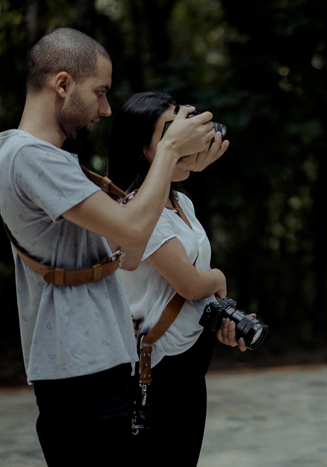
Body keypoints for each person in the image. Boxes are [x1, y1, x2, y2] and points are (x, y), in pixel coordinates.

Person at [0, 28, 227, 466]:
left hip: (96, 364)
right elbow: (133, 232)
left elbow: (129, 252)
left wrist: (176, 165)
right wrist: (168, 152)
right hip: (78, 369)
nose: (106, 109)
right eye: (100, 92)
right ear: (62, 84)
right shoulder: (31, 156)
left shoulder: (44, 159)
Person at [106, 92, 247, 466]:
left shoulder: (182, 202)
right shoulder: (136, 211)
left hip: (191, 359)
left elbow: (191, 291)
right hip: (158, 366)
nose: (184, 137)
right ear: (143, 150)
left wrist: (221, 317)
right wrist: (218, 277)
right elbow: (189, 283)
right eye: (170, 132)